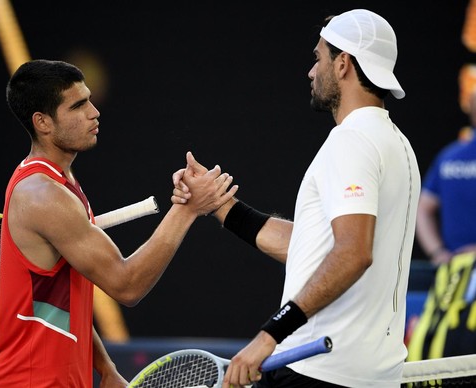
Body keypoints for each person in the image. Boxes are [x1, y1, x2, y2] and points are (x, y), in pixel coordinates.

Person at [172, 9, 420, 387]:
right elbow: (314, 248)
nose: (310, 71)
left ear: (343, 64)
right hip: (366, 375)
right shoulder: (397, 144)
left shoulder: (352, 141)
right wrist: (219, 205)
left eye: (318, 57)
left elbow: (353, 253)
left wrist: (269, 336)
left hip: (318, 371)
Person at [0, 59, 238, 387]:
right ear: (43, 122)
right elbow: (126, 285)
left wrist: (104, 368)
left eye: (89, 99)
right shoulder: (43, 196)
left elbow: (58, 303)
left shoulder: (61, 182)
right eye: (78, 105)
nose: (94, 112)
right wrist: (186, 211)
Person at [415, 91, 476, 266]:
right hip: (457, 269)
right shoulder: (448, 158)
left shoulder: (449, 157)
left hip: (455, 271)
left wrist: (438, 253)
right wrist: (438, 253)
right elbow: (423, 209)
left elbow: (423, 210)